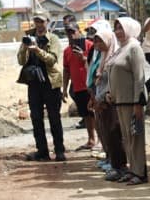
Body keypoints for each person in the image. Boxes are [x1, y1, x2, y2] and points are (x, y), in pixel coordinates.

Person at [17, 13, 67, 162]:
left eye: (41, 21)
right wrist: (25, 48)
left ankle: (59, 150)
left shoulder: (53, 39)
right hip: (34, 83)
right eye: (36, 21)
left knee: (54, 117)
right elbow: (21, 61)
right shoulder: (28, 37)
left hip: (50, 82)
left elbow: (52, 60)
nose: (39, 24)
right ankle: (42, 151)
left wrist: (38, 51)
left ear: (47, 22)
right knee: (36, 118)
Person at [109, 16, 149, 184]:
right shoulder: (121, 48)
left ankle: (140, 173)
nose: (118, 32)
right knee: (127, 138)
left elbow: (139, 77)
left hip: (132, 102)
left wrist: (138, 103)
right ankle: (132, 169)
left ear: (130, 29)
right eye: (116, 28)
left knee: (135, 137)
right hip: (120, 101)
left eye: (121, 28)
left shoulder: (134, 48)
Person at [89, 26, 128, 180]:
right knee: (107, 134)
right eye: (96, 41)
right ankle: (114, 164)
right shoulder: (103, 57)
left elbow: (113, 81)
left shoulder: (115, 56)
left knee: (115, 134)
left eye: (101, 41)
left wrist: (105, 97)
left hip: (111, 101)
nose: (98, 45)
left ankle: (120, 166)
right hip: (101, 101)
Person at [62, 23, 97, 152]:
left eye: (73, 32)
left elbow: (96, 63)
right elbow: (66, 70)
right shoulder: (67, 51)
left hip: (91, 86)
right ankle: (91, 139)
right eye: (68, 32)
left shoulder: (90, 45)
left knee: (96, 113)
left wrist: (83, 58)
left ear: (78, 32)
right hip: (78, 87)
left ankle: (102, 141)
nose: (71, 35)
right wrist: (65, 88)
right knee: (86, 114)